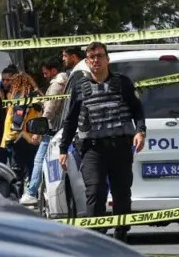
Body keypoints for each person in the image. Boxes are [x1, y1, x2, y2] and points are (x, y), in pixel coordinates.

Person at [58, 42, 146, 242]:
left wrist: (140, 131)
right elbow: (71, 120)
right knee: (95, 192)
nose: (96, 60)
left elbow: (137, 110)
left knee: (121, 193)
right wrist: (63, 149)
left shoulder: (122, 83)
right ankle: (97, 236)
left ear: (107, 59)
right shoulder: (80, 87)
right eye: (91, 57)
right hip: (93, 150)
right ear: (87, 61)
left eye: (99, 56)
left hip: (120, 147)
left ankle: (121, 234)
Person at [20, 59, 69, 205]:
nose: (44, 75)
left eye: (46, 72)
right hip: (57, 130)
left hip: (51, 130)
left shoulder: (56, 85)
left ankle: (31, 192)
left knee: (39, 160)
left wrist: (39, 130)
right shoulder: (64, 83)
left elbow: (50, 109)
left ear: (54, 71)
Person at [0, 72, 43, 191]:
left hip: (19, 138)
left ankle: (17, 197)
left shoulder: (20, 97)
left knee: (17, 172)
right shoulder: (35, 97)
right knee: (31, 169)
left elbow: (17, 120)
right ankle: (32, 194)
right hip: (32, 137)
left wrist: (11, 137)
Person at [0, 64, 18, 163]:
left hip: (14, 132)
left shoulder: (20, 92)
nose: (5, 82)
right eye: (3, 80)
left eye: (8, 80)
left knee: (15, 164)